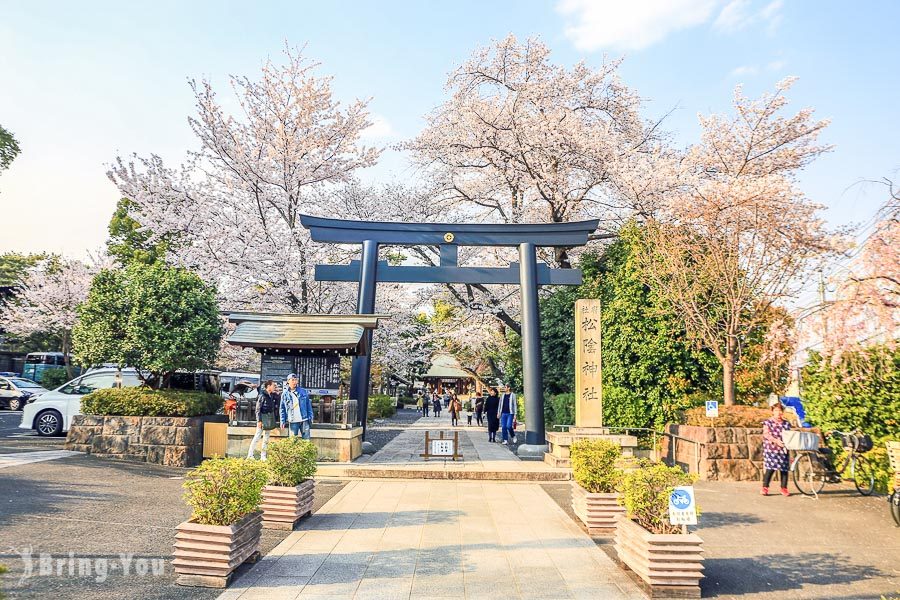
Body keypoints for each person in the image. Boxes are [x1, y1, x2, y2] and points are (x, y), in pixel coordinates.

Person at [762, 402, 792, 496]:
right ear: (772, 412)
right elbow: (766, 434)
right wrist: (775, 441)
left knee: (784, 469)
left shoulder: (786, 423)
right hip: (771, 448)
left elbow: (789, 435)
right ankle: (765, 488)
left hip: (783, 449)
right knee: (770, 468)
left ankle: (784, 488)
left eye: (780, 410)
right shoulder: (768, 422)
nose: (778, 412)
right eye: (776, 410)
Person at [247, 380, 279, 460]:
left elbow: (277, 402)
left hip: (269, 417)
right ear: (268, 386)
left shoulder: (272, 395)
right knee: (257, 436)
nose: (274, 387)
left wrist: (277, 393)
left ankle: (263, 456)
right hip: (262, 417)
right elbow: (258, 409)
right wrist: (259, 421)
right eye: (273, 385)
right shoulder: (262, 395)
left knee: (266, 437)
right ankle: (250, 455)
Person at [280, 373, 313, 440]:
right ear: (288, 381)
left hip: (304, 419)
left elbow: (308, 405)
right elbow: (282, 409)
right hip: (292, 420)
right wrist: (282, 421)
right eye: (292, 380)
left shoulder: (303, 391)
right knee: (292, 441)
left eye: (296, 380)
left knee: (306, 440)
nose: (294, 382)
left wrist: (311, 416)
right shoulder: (285, 394)